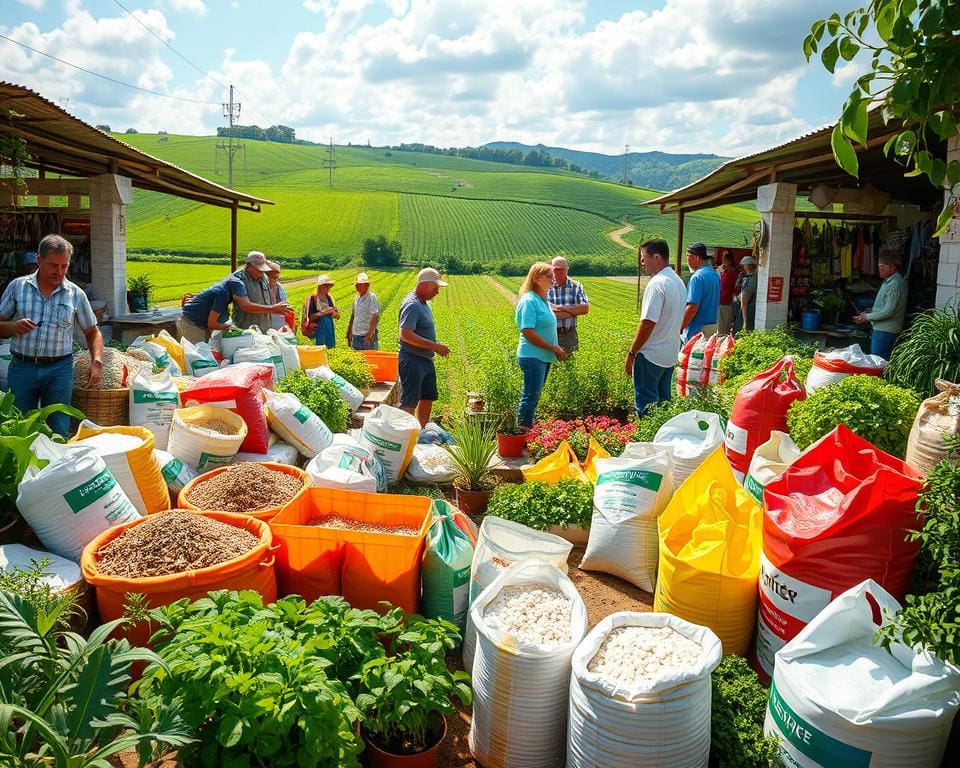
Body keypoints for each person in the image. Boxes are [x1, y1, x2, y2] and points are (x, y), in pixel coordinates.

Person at [0, 234, 103, 437]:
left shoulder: (75, 293)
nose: (59, 272)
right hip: (23, 367)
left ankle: (56, 464)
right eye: (53, 265)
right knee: (19, 425)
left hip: (59, 369)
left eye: (64, 266)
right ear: (39, 260)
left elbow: (92, 331)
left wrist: (97, 361)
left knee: (58, 426)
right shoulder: (18, 288)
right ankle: (24, 468)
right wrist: (12, 327)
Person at [626, 239, 686, 417]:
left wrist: (632, 353)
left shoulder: (657, 283)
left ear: (657, 257)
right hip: (669, 354)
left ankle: (648, 442)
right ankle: (664, 441)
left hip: (651, 355)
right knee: (664, 406)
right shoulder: (677, 281)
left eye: (644, 258)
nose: (641, 263)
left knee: (647, 408)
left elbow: (648, 323)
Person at [179, 257, 287, 344]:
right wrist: (230, 327)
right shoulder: (223, 294)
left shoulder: (229, 286)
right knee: (197, 353)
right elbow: (213, 323)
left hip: (201, 322)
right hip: (192, 323)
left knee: (206, 350)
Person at [516, 262, 567, 428]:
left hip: (541, 356)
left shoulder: (542, 300)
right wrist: (553, 347)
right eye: (549, 276)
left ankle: (526, 430)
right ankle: (522, 433)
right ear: (536, 279)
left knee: (534, 396)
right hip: (532, 356)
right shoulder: (529, 301)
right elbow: (528, 332)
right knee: (530, 396)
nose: (553, 279)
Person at [398, 267, 449, 427]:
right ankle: (405, 438)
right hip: (412, 360)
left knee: (428, 396)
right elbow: (405, 334)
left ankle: (422, 432)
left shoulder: (423, 303)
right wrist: (434, 346)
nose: (437, 292)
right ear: (424, 285)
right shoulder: (412, 304)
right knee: (410, 401)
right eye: (435, 288)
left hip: (425, 360)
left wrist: (432, 346)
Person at [854, 250, 907, 360]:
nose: (880, 269)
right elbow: (883, 307)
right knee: (877, 361)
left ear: (893, 267)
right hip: (881, 330)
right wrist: (869, 313)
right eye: (879, 266)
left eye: (883, 266)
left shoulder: (895, 283)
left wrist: (867, 317)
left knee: (878, 363)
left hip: (886, 331)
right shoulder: (888, 281)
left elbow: (888, 311)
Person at [546, 256, 589, 354]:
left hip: (569, 334)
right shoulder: (546, 286)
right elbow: (545, 311)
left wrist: (560, 308)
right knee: (551, 365)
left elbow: (585, 308)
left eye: (562, 269)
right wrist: (572, 312)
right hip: (549, 333)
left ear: (567, 269)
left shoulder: (576, 286)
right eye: (555, 269)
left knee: (569, 364)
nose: (558, 272)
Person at [680, 242, 720, 342]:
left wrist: (680, 326)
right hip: (712, 325)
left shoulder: (697, 277)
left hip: (697, 329)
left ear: (696, 257)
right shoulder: (715, 275)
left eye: (688, 256)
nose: (687, 260)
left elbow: (692, 308)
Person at [232, 251, 279, 330]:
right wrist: (272, 308)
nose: (261, 271)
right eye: (258, 268)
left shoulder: (263, 276)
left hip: (265, 328)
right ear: (249, 265)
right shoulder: (238, 279)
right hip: (246, 330)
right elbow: (245, 305)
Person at [346, 272, 381, 350]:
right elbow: (353, 316)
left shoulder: (371, 297)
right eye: (357, 284)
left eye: (360, 284)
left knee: (369, 359)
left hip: (366, 336)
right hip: (356, 335)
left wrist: (369, 335)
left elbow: (375, 316)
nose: (357, 287)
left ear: (366, 285)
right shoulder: (356, 298)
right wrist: (349, 331)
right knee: (357, 360)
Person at [303, 275, 339, 348]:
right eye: (325, 286)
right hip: (317, 330)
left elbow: (338, 315)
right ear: (319, 286)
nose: (327, 288)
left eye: (328, 286)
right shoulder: (313, 299)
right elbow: (309, 317)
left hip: (329, 330)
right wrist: (323, 312)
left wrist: (335, 314)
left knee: (330, 349)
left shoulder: (330, 298)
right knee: (318, 350)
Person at [736, 256, 758, 333]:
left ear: (747, 266)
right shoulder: (757, 277)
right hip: (755, 309)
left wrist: (745, 323)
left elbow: (743, 303)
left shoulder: (748, 279)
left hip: (747, 311)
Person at [717, 252, 737, 336]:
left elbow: (725, 287)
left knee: (723, 327)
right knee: (723, 326)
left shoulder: (730, 272)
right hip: (724, 301)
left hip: (724, 301)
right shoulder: (727, 271)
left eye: (723, 259)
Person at [265, 260, 289, 330]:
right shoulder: (258, 289)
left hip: (279, 325)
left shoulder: (279, 287)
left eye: (277, 277)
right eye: (274, 277)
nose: (276, 280)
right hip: (264, 326)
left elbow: (284, 302)